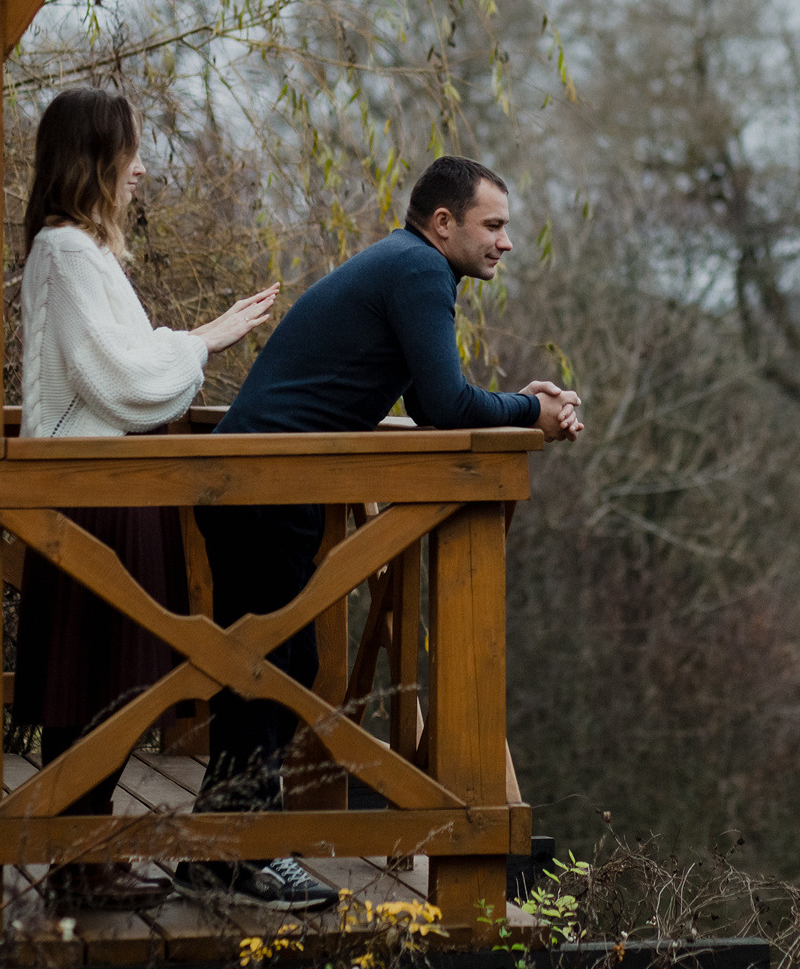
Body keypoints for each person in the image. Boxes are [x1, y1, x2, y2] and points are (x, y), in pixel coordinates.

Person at [178, 155, 582, 909]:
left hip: (265, 484)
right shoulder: (420, 273)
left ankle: (223, 849)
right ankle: (239, 854)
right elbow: (450, 408)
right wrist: (533, 415)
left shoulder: (405, 266)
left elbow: (436, 405)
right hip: (264, 486)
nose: (507, 242)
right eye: (494, 225)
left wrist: (520, 402)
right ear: (443, 224)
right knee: (271, 665)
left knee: (271, 661)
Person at [15, 87, 278, 910]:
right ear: (97, 157)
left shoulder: (84, 254)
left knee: (114, 682)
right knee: (96, 683)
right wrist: (203, 339)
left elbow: (126, 372)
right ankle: (77, 862)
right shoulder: (64, 253)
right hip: (94, 493)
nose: (139, 167)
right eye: (130, 150)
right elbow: (122, 380)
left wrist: (190, 344)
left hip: (115, 487)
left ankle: (83, 855)